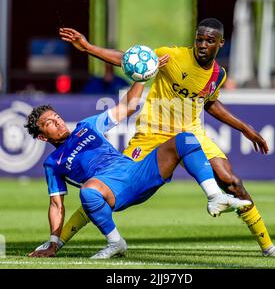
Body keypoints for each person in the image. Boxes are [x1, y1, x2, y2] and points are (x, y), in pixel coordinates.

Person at [35, 18, 275, 258]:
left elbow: (209, 103)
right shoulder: (174, 56)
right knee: (106, 188)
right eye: (199, 39)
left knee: (232, 182)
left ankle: (267, 246)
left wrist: (244, 128)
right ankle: (66, 240)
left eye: (209, 41)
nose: (202, 45)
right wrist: (88, 48)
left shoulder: (218, 74)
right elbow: (128, 60)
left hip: (191, 131)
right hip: (151, 135)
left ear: (220, 44)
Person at [25, 80, 251, 259]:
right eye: (49, 123)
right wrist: (54, 242)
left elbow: (128, 106)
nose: (58, 121)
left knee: (185, 139)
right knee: (88, 191)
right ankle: (116, 243)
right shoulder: (53, 162)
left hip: (135, 171)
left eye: (56, 117)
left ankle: (215, 196)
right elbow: (56, 205)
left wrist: (141, 78)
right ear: (43, 136)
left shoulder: (87, 126)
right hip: (112, 189)